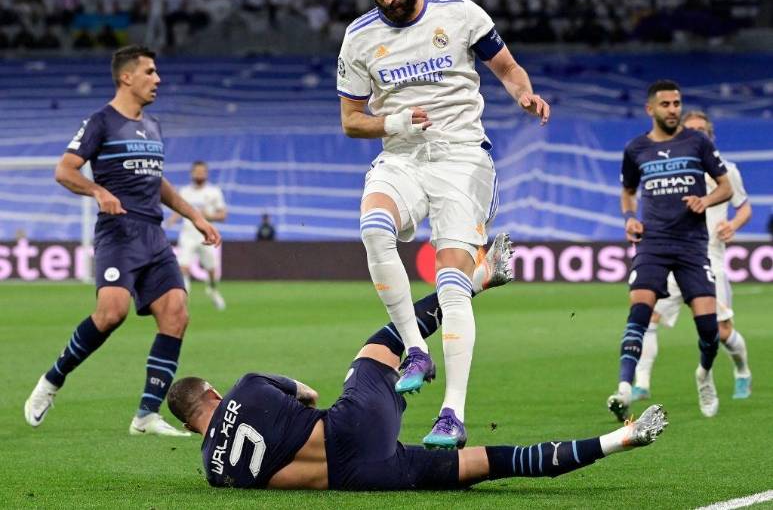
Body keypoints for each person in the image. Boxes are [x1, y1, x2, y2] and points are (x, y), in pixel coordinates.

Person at [166, 237, 667, 491]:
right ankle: (479, 278)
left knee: (487, 464)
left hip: (363, 476)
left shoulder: (214, 472)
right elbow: (309, 395)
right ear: (211, 392)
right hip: (350, 426)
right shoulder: (247, 388)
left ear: (192, 428)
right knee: (379, 343)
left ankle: (622, 438)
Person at [337, 0, 550, 448]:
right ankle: (415, 347)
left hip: (461, 159)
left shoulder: (459, 13)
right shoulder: (359, 38)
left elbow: (505, 67)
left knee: (452, 282)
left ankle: (452, 412)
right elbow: (350, 121)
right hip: (402, 157)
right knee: (373, 227)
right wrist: (394, 121)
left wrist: (522, 90)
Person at [23, 45, 221, 436]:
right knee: (112, 312)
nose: (157, 79)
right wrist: (97, 191)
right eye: (149, 71)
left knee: (177, 313)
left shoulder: (153, 125)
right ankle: (51, 381)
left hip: (153, 234)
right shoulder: (101, 122)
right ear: (126, 77)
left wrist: (194, 216)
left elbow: (156, 180)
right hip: (118, 233)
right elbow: (64, 170)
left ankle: (146, 415)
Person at [607, 80, 732, 421]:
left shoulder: (697, 142)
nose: (674, 110)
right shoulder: (636, 149)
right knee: (640, 310)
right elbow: (628, 192)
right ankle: (623, 388)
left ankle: (704, 375)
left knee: (709, 329)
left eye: (677, 103)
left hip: (692, 245)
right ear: (651, 109)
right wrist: (630, 218)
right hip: (654, 243)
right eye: (666, 105)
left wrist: (705, 200)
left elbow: (726, 187)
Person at [633, 112, 753, 400]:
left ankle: (742, 372)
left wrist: (733, 225)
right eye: (692, 130)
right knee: (650, 318)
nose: (698, 134)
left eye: (703, 130)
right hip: (672, 252)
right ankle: (641, 384)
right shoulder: (670, 168)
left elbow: (745, 207)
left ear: (710, 134)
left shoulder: (727, 170)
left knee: (721, 331)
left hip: (709, 258)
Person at [167, 161, 228, 310]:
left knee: (212, 269)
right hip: (187, 234)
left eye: (202, 172)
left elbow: (223, 215)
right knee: (183, 267)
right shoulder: (185, 191)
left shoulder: (214, 192)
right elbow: (178, 209)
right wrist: (171, 220)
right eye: (197, 171)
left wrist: (208, 216)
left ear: (206, 174)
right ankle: (183, 300)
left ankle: (213, 290)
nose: (199, 174)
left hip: (205, 236)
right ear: (192, 173)